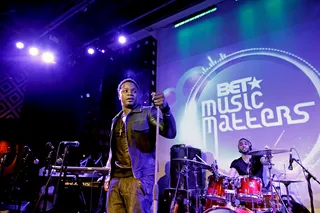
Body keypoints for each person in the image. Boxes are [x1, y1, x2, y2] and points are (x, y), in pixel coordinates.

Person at [104, 78, 176, 213]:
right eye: (125, 91)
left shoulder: (148, 113)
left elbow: (170, 132)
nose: (130, 93)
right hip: (116, 179)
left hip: (138, 179)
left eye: (134, 91)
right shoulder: (116, 120)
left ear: (138, 94)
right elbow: (112, 151)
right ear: (119, 95)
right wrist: (108, 175)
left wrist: (165, 109)